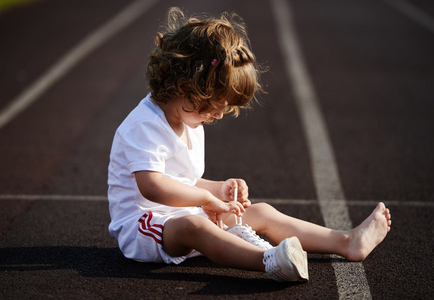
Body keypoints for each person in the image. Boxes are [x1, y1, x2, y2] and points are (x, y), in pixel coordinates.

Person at [107, 7, 391, 282]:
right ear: (185, 88)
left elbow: (184, 181)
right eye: (213, 107)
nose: (217, 116)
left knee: (262, 212)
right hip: (144, 226)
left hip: (183, 214)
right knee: (196, 226)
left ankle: (347, 242)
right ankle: (268, 261)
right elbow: (153, 186)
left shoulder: (190, 118)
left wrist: (220, 189)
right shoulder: (144, 125)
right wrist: (208, 200)